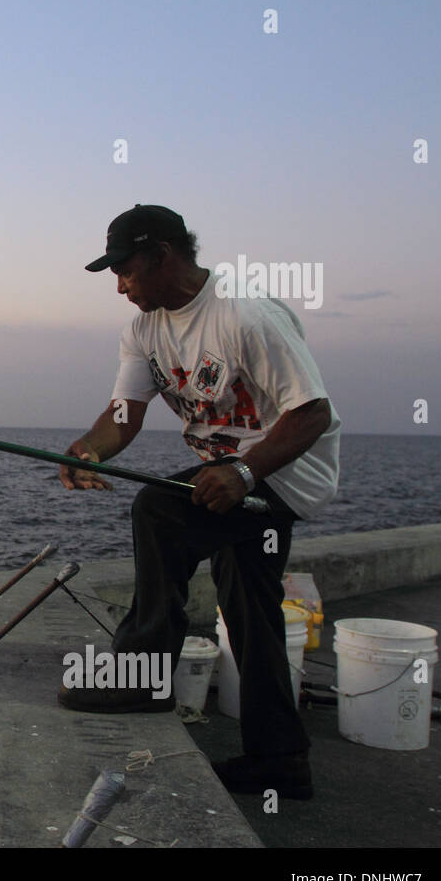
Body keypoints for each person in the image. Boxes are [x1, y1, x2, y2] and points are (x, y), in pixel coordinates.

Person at [58, 204, 340, 799]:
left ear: (163, 254)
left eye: (126, 269)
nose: (119, 285)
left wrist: (244, 469)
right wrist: (89, 449)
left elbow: (312, 411)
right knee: (250, 611)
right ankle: (281, 761)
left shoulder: (246, 313)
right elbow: (124, 415)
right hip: (231, 477)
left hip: (282, 471)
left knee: (158, 511)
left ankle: (143, 674)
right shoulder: (143, 329)